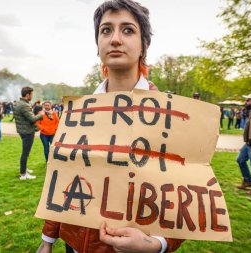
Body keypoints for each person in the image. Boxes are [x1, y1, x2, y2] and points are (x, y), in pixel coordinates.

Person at [37, 1, 184, 253]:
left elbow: (184, 197)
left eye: (127, 30)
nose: (115, 39)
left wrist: (157, 244)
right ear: (97, 44)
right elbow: (64, 179)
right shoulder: (79, 113)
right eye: (106, 30)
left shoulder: (170, 117)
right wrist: (48, 239)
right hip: (74, 244)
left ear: (144, 45)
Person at [13, 86, 44, 180]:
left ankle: (24, 169)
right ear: (27, 95)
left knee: (25, 152)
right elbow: (32, 119)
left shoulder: (18, 103)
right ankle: (23, 174)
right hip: (27, 132)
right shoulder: (24, 105)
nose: (32, 96)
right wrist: (41, 115)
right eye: (31, 94)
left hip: (22, 131)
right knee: (25, 153)